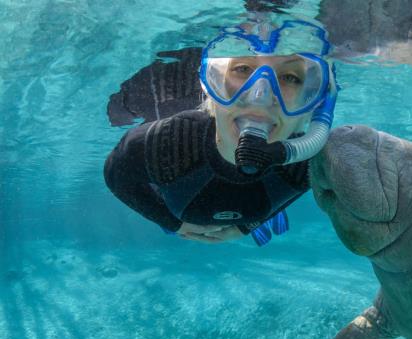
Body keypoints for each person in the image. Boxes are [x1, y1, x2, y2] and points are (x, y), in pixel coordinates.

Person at [104, 18, 338, 246]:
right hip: (175, 211)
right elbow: (116, 177)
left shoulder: (309, 161)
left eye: (289, 77)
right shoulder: (165, 141)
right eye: (243, 69)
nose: (260, 98)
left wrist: (250, 225)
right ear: (212, 86)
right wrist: (170, 221)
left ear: (313, 104)